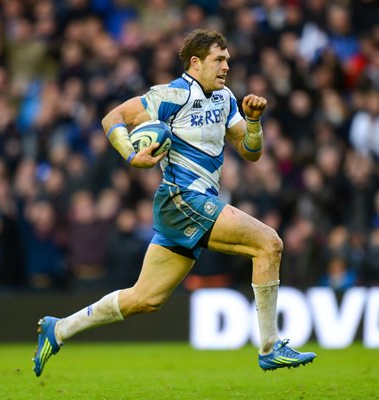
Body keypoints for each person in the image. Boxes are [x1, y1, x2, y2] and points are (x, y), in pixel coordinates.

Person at [32, 29, 316, 377]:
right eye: (219, 59)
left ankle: (59, 328)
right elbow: (113, 119)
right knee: (268, 243)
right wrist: (131, 155)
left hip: (189, 206)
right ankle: (270, 347)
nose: (227, 65)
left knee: (145, 298)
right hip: (182, 198)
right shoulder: (172, 94)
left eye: (227, 59)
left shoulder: (225, 99)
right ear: (195, 63)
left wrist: (254, 122)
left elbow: (251, 153)